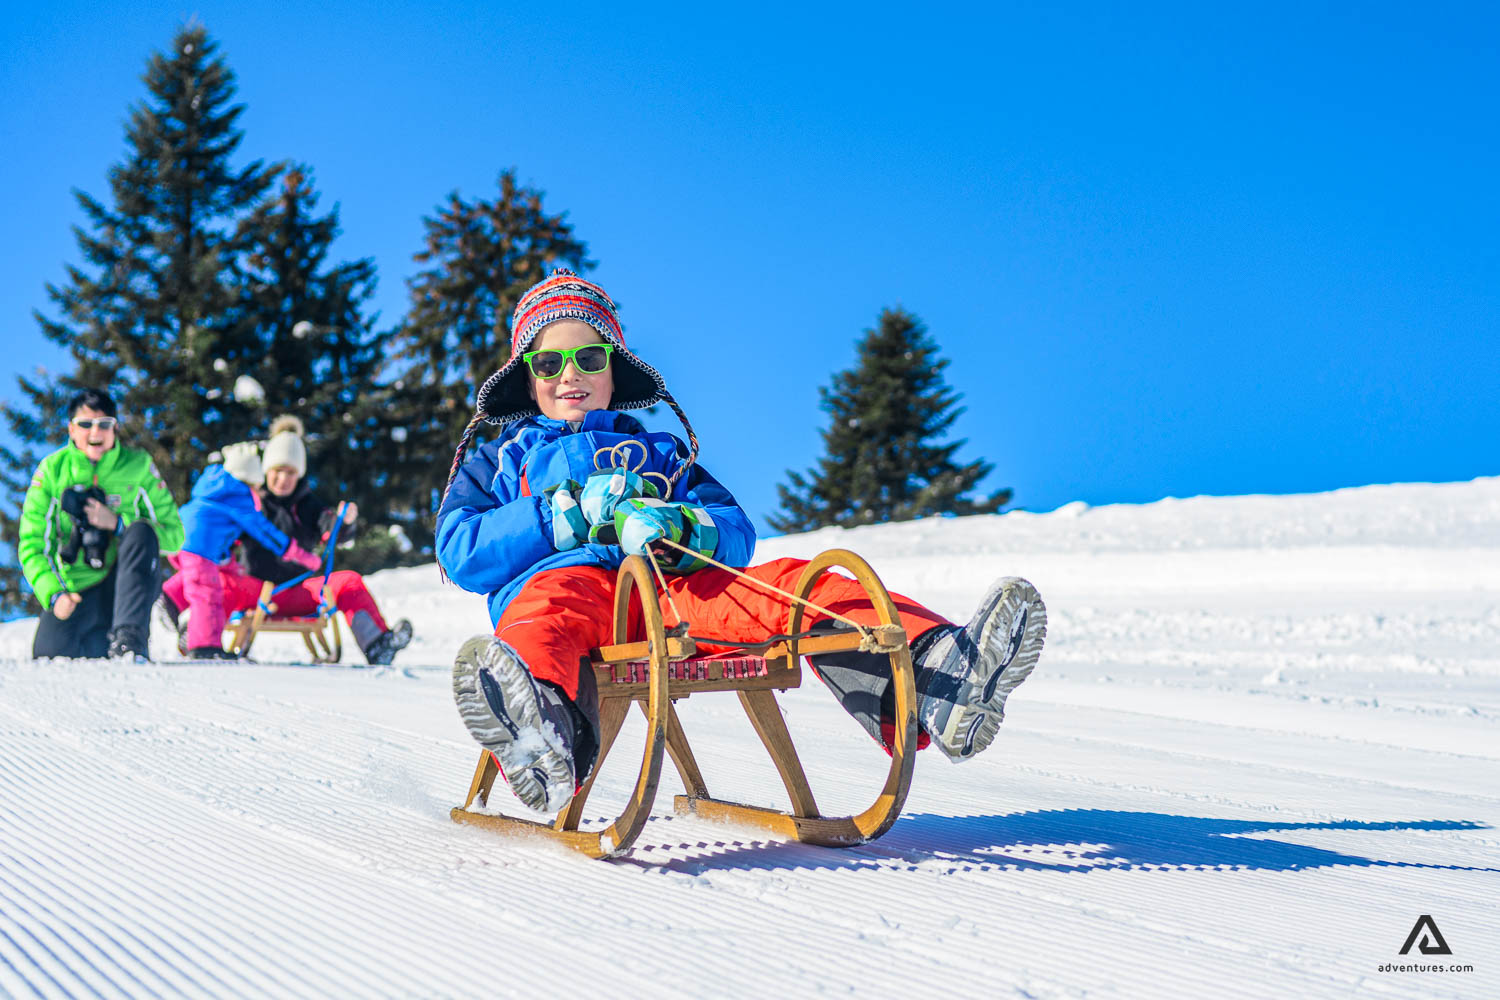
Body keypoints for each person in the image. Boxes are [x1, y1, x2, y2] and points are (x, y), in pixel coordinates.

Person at [436, 270, 1049, 814]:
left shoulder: (659, 453)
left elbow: (734, 529)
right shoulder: (499, 457)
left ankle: (941, 675)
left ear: (613, 370)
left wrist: (679, 527)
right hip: (566, 588)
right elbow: (460, 548)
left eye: (589, 359)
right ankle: (541, 733)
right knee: (543, 619)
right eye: (549, 364)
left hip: (669, 592)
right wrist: (557, 518)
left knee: (788, 585)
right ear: (527, 377)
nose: (570, 375)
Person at [161, 415, 412, 665]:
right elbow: (211, 555)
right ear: (266, 471)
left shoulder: (308, 505)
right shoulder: (248, 502)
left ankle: (377, 644)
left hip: (299, 590)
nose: (283, 479)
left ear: (299, 474)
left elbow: (330, 528)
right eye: (277, 471)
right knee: (220, 580)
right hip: (255, 590)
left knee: (349, 582)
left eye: (290, 472)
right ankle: (198, 635)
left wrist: (344, 523)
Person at [18, 388, 184, 660]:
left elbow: (174, 536)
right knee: (50, 656)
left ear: (115, 428)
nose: (95, 431)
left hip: (123, 588)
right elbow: (33, 544)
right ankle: (101, 638)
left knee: (142, 531)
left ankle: (129, 640)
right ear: (72, 429)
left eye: (104, 424)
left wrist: (119, 524)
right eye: (86, 424)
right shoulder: (52, 471)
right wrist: (54, 594)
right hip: (75, 589)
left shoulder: (138, 465)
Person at [171, 441, 323, 659]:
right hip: (199, 550)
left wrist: (228, 562)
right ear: (249, 480)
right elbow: (267, 534)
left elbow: (218, 536)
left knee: (205, 586)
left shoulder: (216, 487)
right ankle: (204, 647)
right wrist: (306, 558)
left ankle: (172, 596)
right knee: (208, 595)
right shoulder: (239, 496)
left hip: (181, 542)